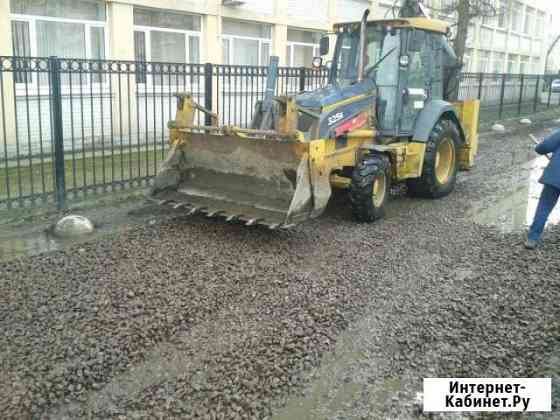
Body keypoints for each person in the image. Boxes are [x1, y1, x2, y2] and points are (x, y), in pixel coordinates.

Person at [525, 129, 560, 249]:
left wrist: (539, 147)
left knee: (544, 206)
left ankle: (532, 238)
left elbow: (544, 147)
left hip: (555, 175)